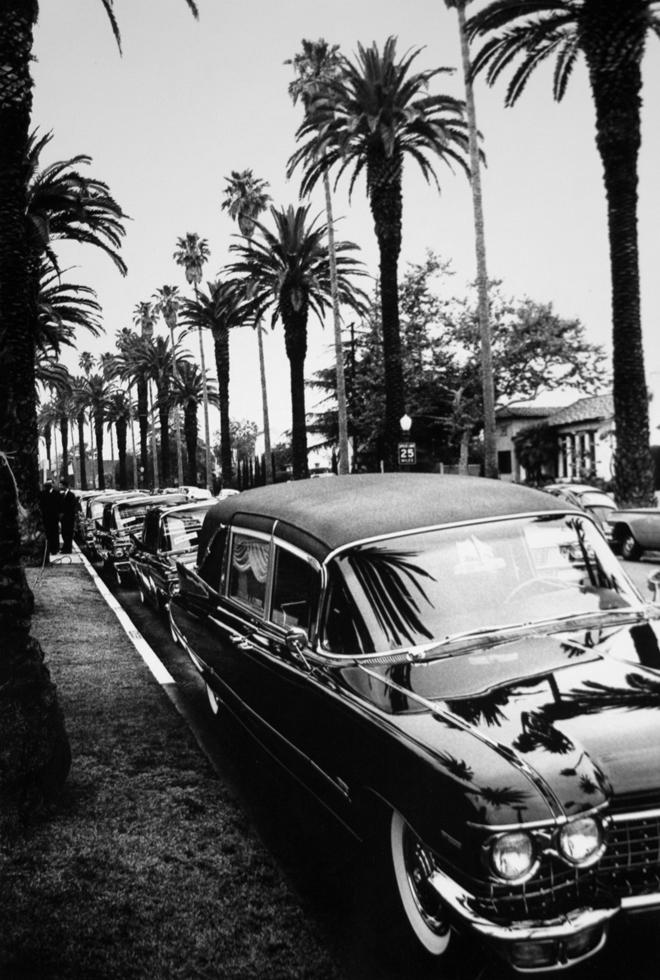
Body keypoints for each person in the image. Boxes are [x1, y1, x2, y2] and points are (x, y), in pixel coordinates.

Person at [39, 479, 60, 557]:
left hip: (54, 517)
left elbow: (58, 505)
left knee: (54, 533)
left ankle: (54, 549)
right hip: (46, 516)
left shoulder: (56, 493)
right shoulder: (42, 494)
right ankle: (48, 549)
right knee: (47, 533)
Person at [59, 480, 78, 554]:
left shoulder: (71, 495)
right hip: (63, 519)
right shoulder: (61, 495)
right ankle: (65, 547)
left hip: (69, 518)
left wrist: (66, 513)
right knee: (64, 533)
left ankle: (68, 548)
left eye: (61, 485)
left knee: (69, 534)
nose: (60, 487)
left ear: (65, 486)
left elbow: (72, 507)